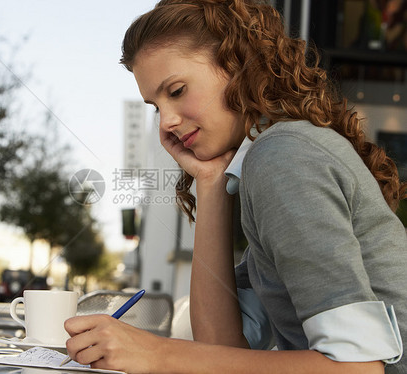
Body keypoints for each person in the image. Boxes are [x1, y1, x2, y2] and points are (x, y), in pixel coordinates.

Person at [64, 0, 407, 373]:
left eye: (176, 91)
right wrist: (209, 184)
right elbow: (222, 346)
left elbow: (358, 369)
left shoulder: (283, 156)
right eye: (155, 106)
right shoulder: (268, 157)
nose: (167, 122)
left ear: (238, 64)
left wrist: (157, 354)